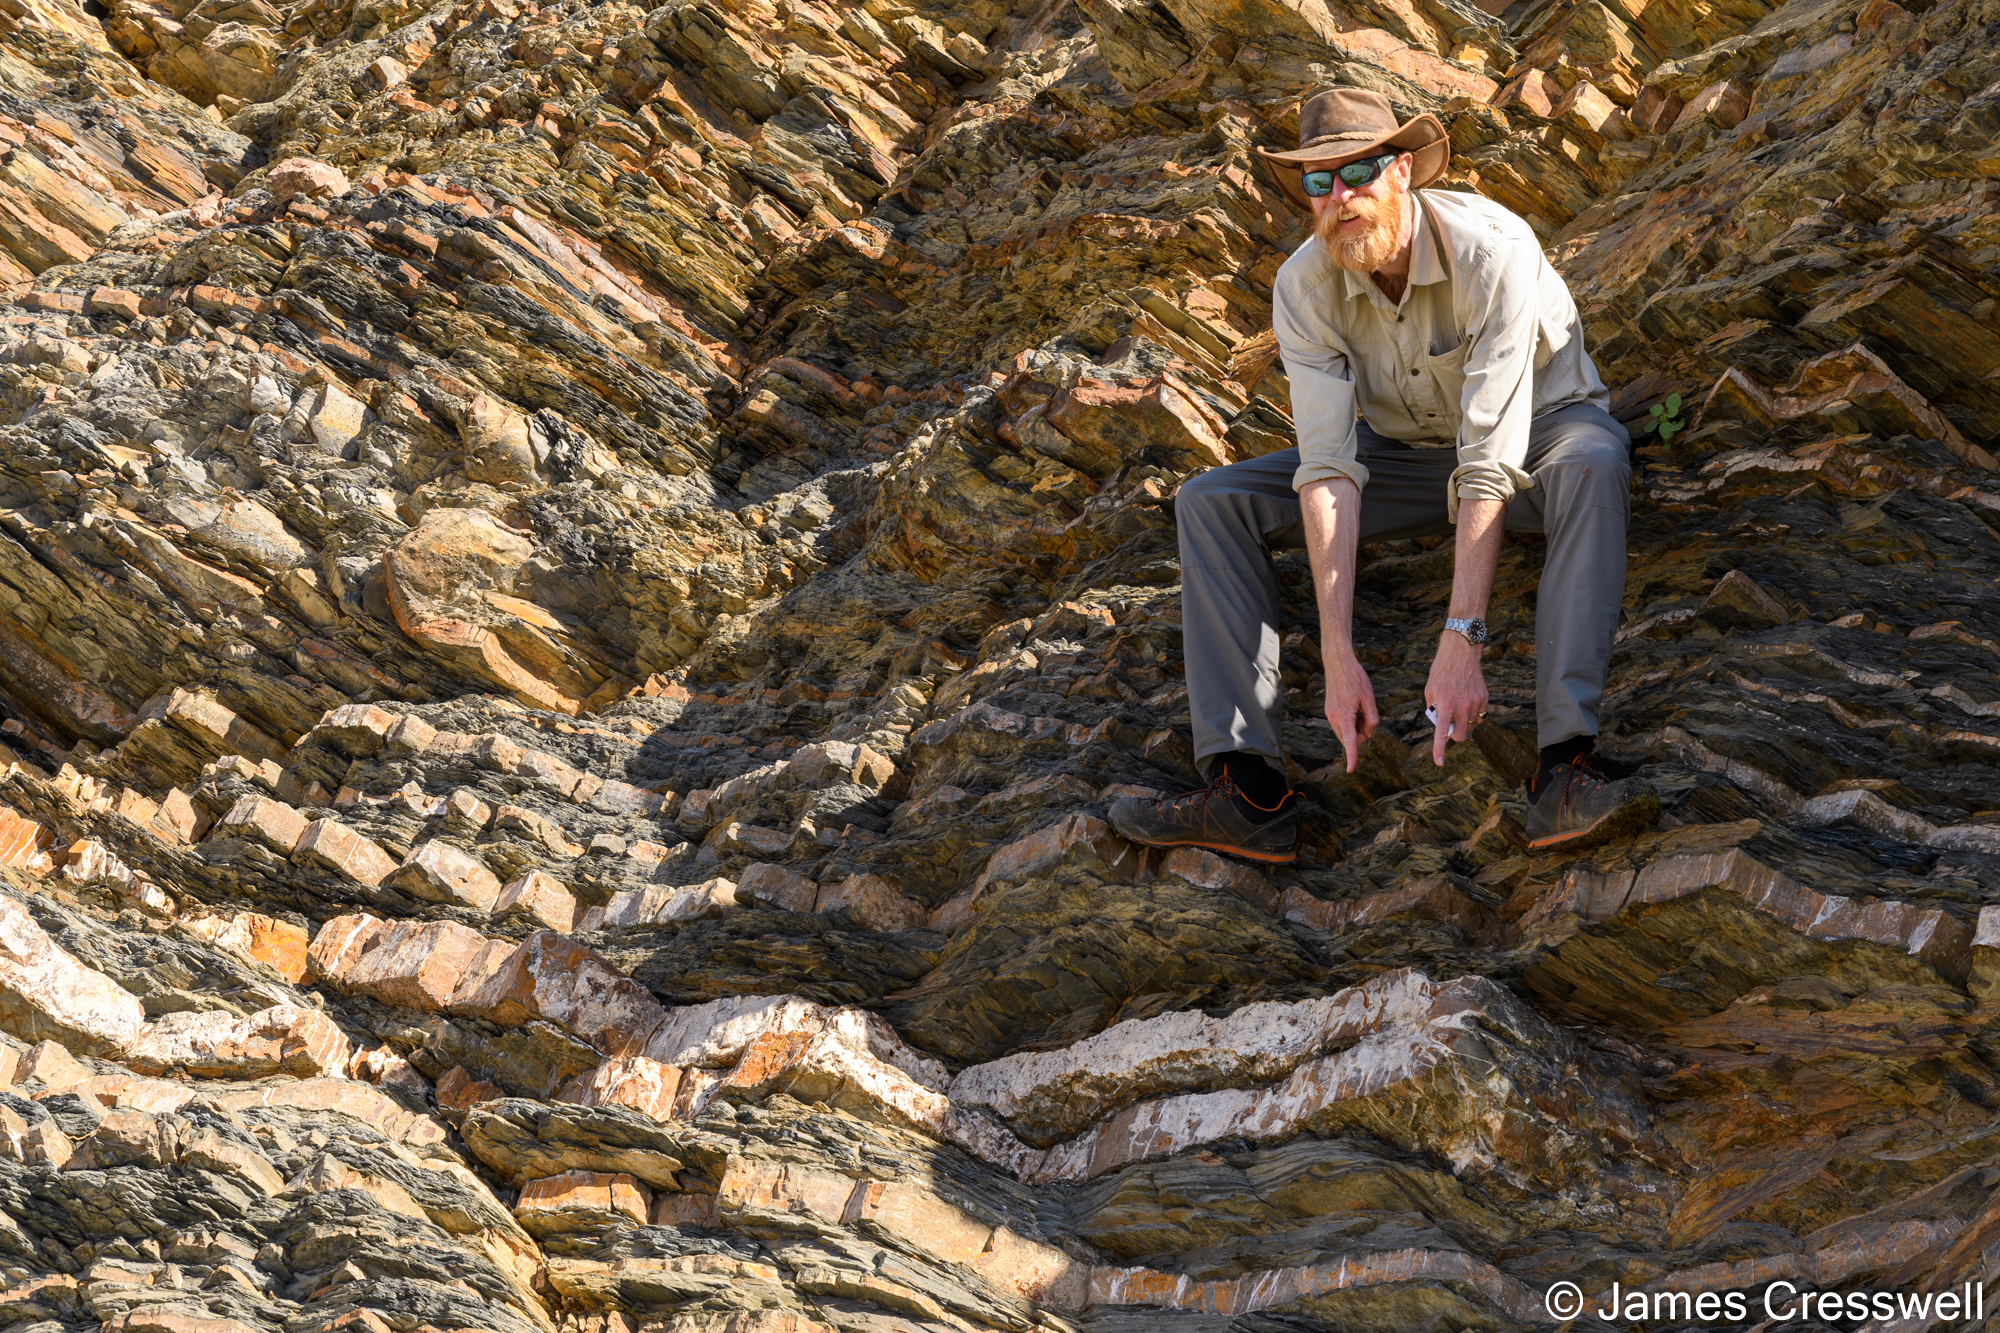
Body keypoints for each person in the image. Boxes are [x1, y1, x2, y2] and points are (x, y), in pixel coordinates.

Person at [1109, 87, 1657, 864]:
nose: (1340, 198)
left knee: (1599, 460)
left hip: (1537, 441)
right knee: (1210, 500)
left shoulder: (1491, 249)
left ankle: (1564, 766)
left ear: (1402, 170)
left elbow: (1491, 455)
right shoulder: (1303, 286)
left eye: (1357, 172)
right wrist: (1338, 655)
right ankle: (1249, 791)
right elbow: (1329, 467)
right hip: (1404, 455)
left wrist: (1461, 636)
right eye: (1318, 183)